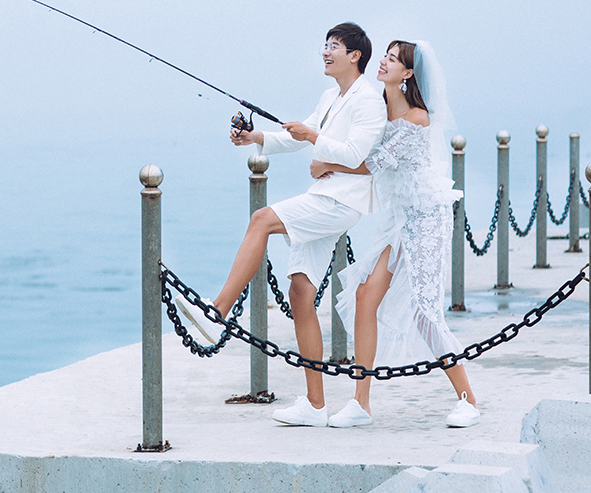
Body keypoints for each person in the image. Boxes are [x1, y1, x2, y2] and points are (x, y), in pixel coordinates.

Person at [176, 22, 387, 427]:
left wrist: (313, 138)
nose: (325, 52)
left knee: (262, 220)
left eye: (334, 46)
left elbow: (356, 152)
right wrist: (256, 137)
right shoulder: (331, 95)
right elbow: (296, 137)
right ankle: (315, 405)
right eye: (325, 45)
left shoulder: (369, 100)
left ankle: (216, 312)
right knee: (299, 293)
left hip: (341, 201)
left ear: (355, 55)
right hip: (322, 197)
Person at [314, 40, 480, 429]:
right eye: (385, 56)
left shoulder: (417, 119)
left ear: (407, 74)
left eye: (392, 59)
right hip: (400, 217)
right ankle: (361, 404)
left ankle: (468, 400)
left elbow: (373, 164)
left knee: (425, 312)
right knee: (364, 295)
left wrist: (327, 164)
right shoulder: (378, 109)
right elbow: (358, 144)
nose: (384, 62)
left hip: (427, 216)